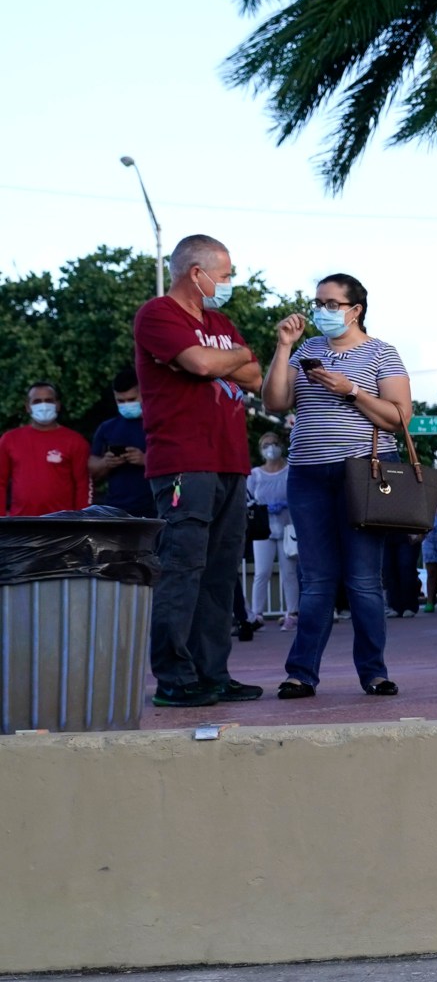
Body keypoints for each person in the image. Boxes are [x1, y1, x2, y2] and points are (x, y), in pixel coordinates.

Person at [262, 274, 412, 699]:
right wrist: (284, 345)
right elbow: (273, 402)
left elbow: (401, 419)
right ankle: (301, 673)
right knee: (316, 580)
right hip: (308, 474)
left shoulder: (381, 352)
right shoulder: (307, 350)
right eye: (318, 302)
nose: (321, 310)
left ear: (355, 309)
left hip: (361, 473)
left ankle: (374, 672)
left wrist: (352, 391)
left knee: (363, 579)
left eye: (331, 303)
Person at [134, 234, 264, 707]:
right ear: (196, 273)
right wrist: (234, 359)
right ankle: (174, 678)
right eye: (225, 275)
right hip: (183, 463)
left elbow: (254, 374)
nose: (228, 283)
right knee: (182, 568)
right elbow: (202, 362)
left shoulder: (220, 321)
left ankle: (213, 673)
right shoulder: (158, 314)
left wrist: (228, 363)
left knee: (221, 573)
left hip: (231, 460)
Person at [1, 383, 91, 516]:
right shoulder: (9, 440)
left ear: (58, 405)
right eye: (37, 401)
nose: (43, 405)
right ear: (28, 407)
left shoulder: (75, 441)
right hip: (21, 524)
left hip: (62, 525)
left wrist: (83, 522)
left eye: (49, 400)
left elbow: (83, 484)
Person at [245, 432, 296, 621]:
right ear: (261, 450)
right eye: (266, 445)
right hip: (263, 529)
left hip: (287, 528)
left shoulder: (290, 471)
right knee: (262, 572)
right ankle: (257, 614)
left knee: (289, 571)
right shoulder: (255, 475)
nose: (271, 448)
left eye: (274, 443)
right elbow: (248, 498)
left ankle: (292, 612)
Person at [87, 369, 152, 515]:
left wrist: (145, 460)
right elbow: (92, 469)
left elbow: (178, 462)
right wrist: (106, 462)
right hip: (116, 508)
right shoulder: (107, 428)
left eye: (132, 400)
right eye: (120, 401)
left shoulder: (158, 425)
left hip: (154, 506)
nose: (126, 405)